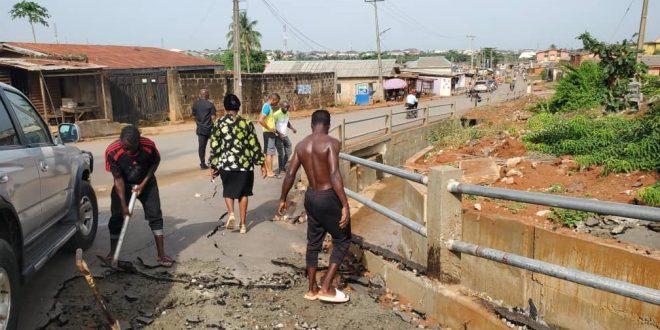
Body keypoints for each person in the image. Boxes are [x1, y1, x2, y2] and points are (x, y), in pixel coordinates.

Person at [278, 109, 351, 303]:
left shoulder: (301, 145)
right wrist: (345, 204)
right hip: (328, 196)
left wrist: (282, 198)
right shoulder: (332, 143)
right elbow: (335, 174)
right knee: (342, 239)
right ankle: (326, 287)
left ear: (311, 125)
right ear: (327, 125)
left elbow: (290, 174)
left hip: (310, 196)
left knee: (313, 242)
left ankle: (311, 288)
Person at [105, 125, 173, 267]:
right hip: (124, 183)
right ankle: (112, 253)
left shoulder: (148, 146)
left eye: (131, 148)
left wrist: (143, 183)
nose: (127, 151)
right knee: (116, 217)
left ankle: (161, 255)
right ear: (120, 141)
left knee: (155, 215)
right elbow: (118, 179)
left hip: (146, 183)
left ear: (139, 143)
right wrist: (123, 205)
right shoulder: (113, 152)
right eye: (125, 147)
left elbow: (155, 163)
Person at [209, 93, 267, 234]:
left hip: (226, 165)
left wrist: (213, 165)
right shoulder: (246, 123)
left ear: (225, 107)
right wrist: (262, 163)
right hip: (245, 165)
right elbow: (254, 144)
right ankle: (243, 225)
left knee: (228, 191)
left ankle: (231, 214)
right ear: (238, 108)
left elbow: (215, 146)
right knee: (243, 194)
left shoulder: (218, 123)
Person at [192, 89, 217, 170]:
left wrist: (199, 123)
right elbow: (213, 117)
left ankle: (202, 164)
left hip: (200, 129)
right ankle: (213, 161)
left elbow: (193, 116)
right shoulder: (210, 104)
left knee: (201, 147)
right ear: (207, 95)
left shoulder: (195, 104)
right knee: (214, 145)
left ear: (200, 95)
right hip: (210, 128)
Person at [258, 93, 280, 178]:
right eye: (276, 102)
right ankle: (270, 172)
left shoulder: (266, 106)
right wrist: (270, 128)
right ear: (273, 100)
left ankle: (267, 170)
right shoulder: (267, 106)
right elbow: (260, 120)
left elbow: (260, 116)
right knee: (269, 153)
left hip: (269, 132)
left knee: (268, 152)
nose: (277, 104)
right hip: (268, 133)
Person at [272, 100, 297, 176]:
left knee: (289, 150)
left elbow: (287, 122)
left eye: (288, 107)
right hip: (277, 136)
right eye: (285, 107)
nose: (287, 109)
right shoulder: (276, 114)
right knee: (281, 153)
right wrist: (279, 134)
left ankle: (283, 166)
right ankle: (281, 169)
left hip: (285, 135)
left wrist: (292, 128)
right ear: (281, 107)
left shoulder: (287, 113)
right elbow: (272, 126)